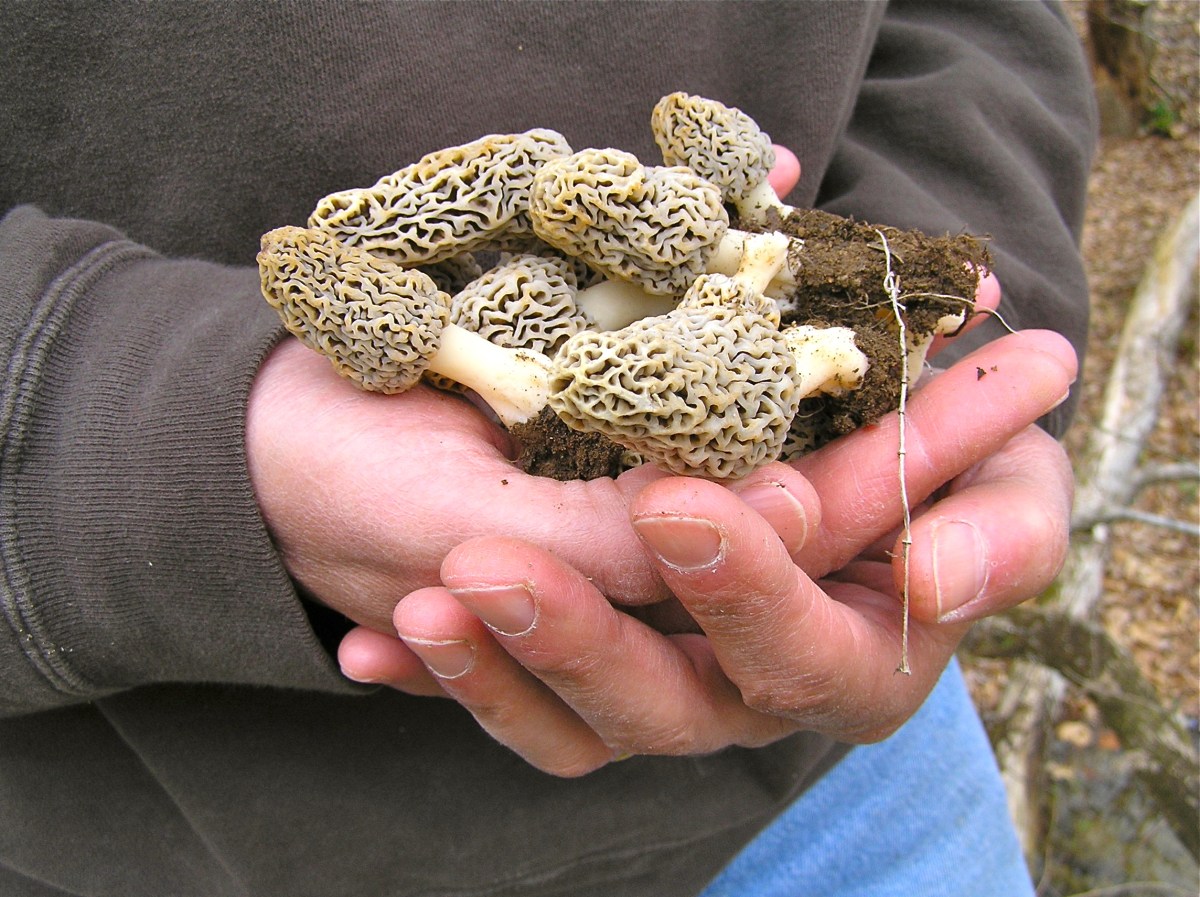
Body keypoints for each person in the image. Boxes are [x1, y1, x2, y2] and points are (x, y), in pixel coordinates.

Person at [0, 2, 1095, 895]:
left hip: (850, 792)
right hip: (166, 845)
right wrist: (137, 420)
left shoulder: (697, 267)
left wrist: (933, 287)